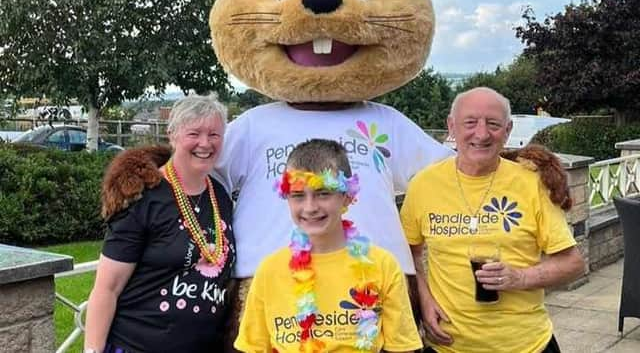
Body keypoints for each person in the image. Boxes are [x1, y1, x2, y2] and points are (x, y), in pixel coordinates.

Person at [400, 87, 586, 353]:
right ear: (451, 126)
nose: (482, 133)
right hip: (448, 345)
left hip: (525, 345)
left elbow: (573, 263)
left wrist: (519, 278)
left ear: (508, 130)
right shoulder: (423, 185)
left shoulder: (531, 183)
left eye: (493, 124)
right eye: (470, 122)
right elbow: (408, 252)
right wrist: (424, 298)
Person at [234, 139, 423, 353]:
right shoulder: (269, 271)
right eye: (298, 195)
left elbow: (402, 347)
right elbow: (253, 347)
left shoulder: (382, 265)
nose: (310, 207)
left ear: (346, 197)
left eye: (323, 193)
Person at [84, 94, 236, 353]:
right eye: (194, 134)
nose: (205, 143)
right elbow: (107, 289)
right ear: (172, 135)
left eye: (214, 135)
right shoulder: (144, 197)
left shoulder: (221, 195)